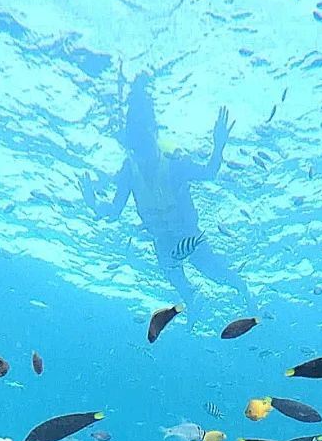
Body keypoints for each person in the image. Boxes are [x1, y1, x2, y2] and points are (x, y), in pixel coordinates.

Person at [80, 72, 250, 306]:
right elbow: (114, 210)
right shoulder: (129, 170)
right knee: (181, 286)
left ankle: (246, 292)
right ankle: (194, 308)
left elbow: (209, 172)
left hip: (189, 234)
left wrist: (218, 146)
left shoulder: (174, 164)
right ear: (130, 147)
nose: (143, 156)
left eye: (146, 146)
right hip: (162, 241)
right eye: (137, 148)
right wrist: (93, 203)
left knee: (219, 274)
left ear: (155, 138)